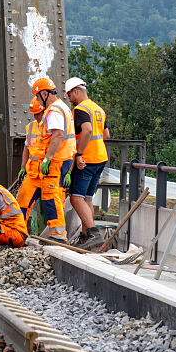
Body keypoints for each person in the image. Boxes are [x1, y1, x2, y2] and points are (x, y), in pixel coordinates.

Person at [65, 77, 109, 246]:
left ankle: (92, 233)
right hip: (100, 158)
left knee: (76, 198)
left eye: (69, 95)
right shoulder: (98, 109)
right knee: (88, 199)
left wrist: (79, 153)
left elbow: (87, 130)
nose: (69, 99)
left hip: (87, 158)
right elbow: (106, 135)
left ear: (76, 91)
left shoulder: (80, 109)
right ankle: (85, 236)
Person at [31, 78, 75, 242]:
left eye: (37, 96)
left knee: (51, 197)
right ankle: (58, 233)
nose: (37, 100)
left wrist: (47, 159)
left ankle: (58, 235)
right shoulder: (64, 107)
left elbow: (58, 135)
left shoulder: (54, 110)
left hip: (56, 160)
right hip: (64, 159)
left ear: (44, 94)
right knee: (56, 196)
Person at [15, 97, 45, 219]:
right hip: (32, 174)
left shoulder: (52, 126)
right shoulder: (30, 127)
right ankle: (21, 234)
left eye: (38, 114)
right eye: (34, 114)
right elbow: (26, 148)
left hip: (47, 173)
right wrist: (23, 166)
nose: (36, 117)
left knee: (53, 207)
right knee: (21, 203)